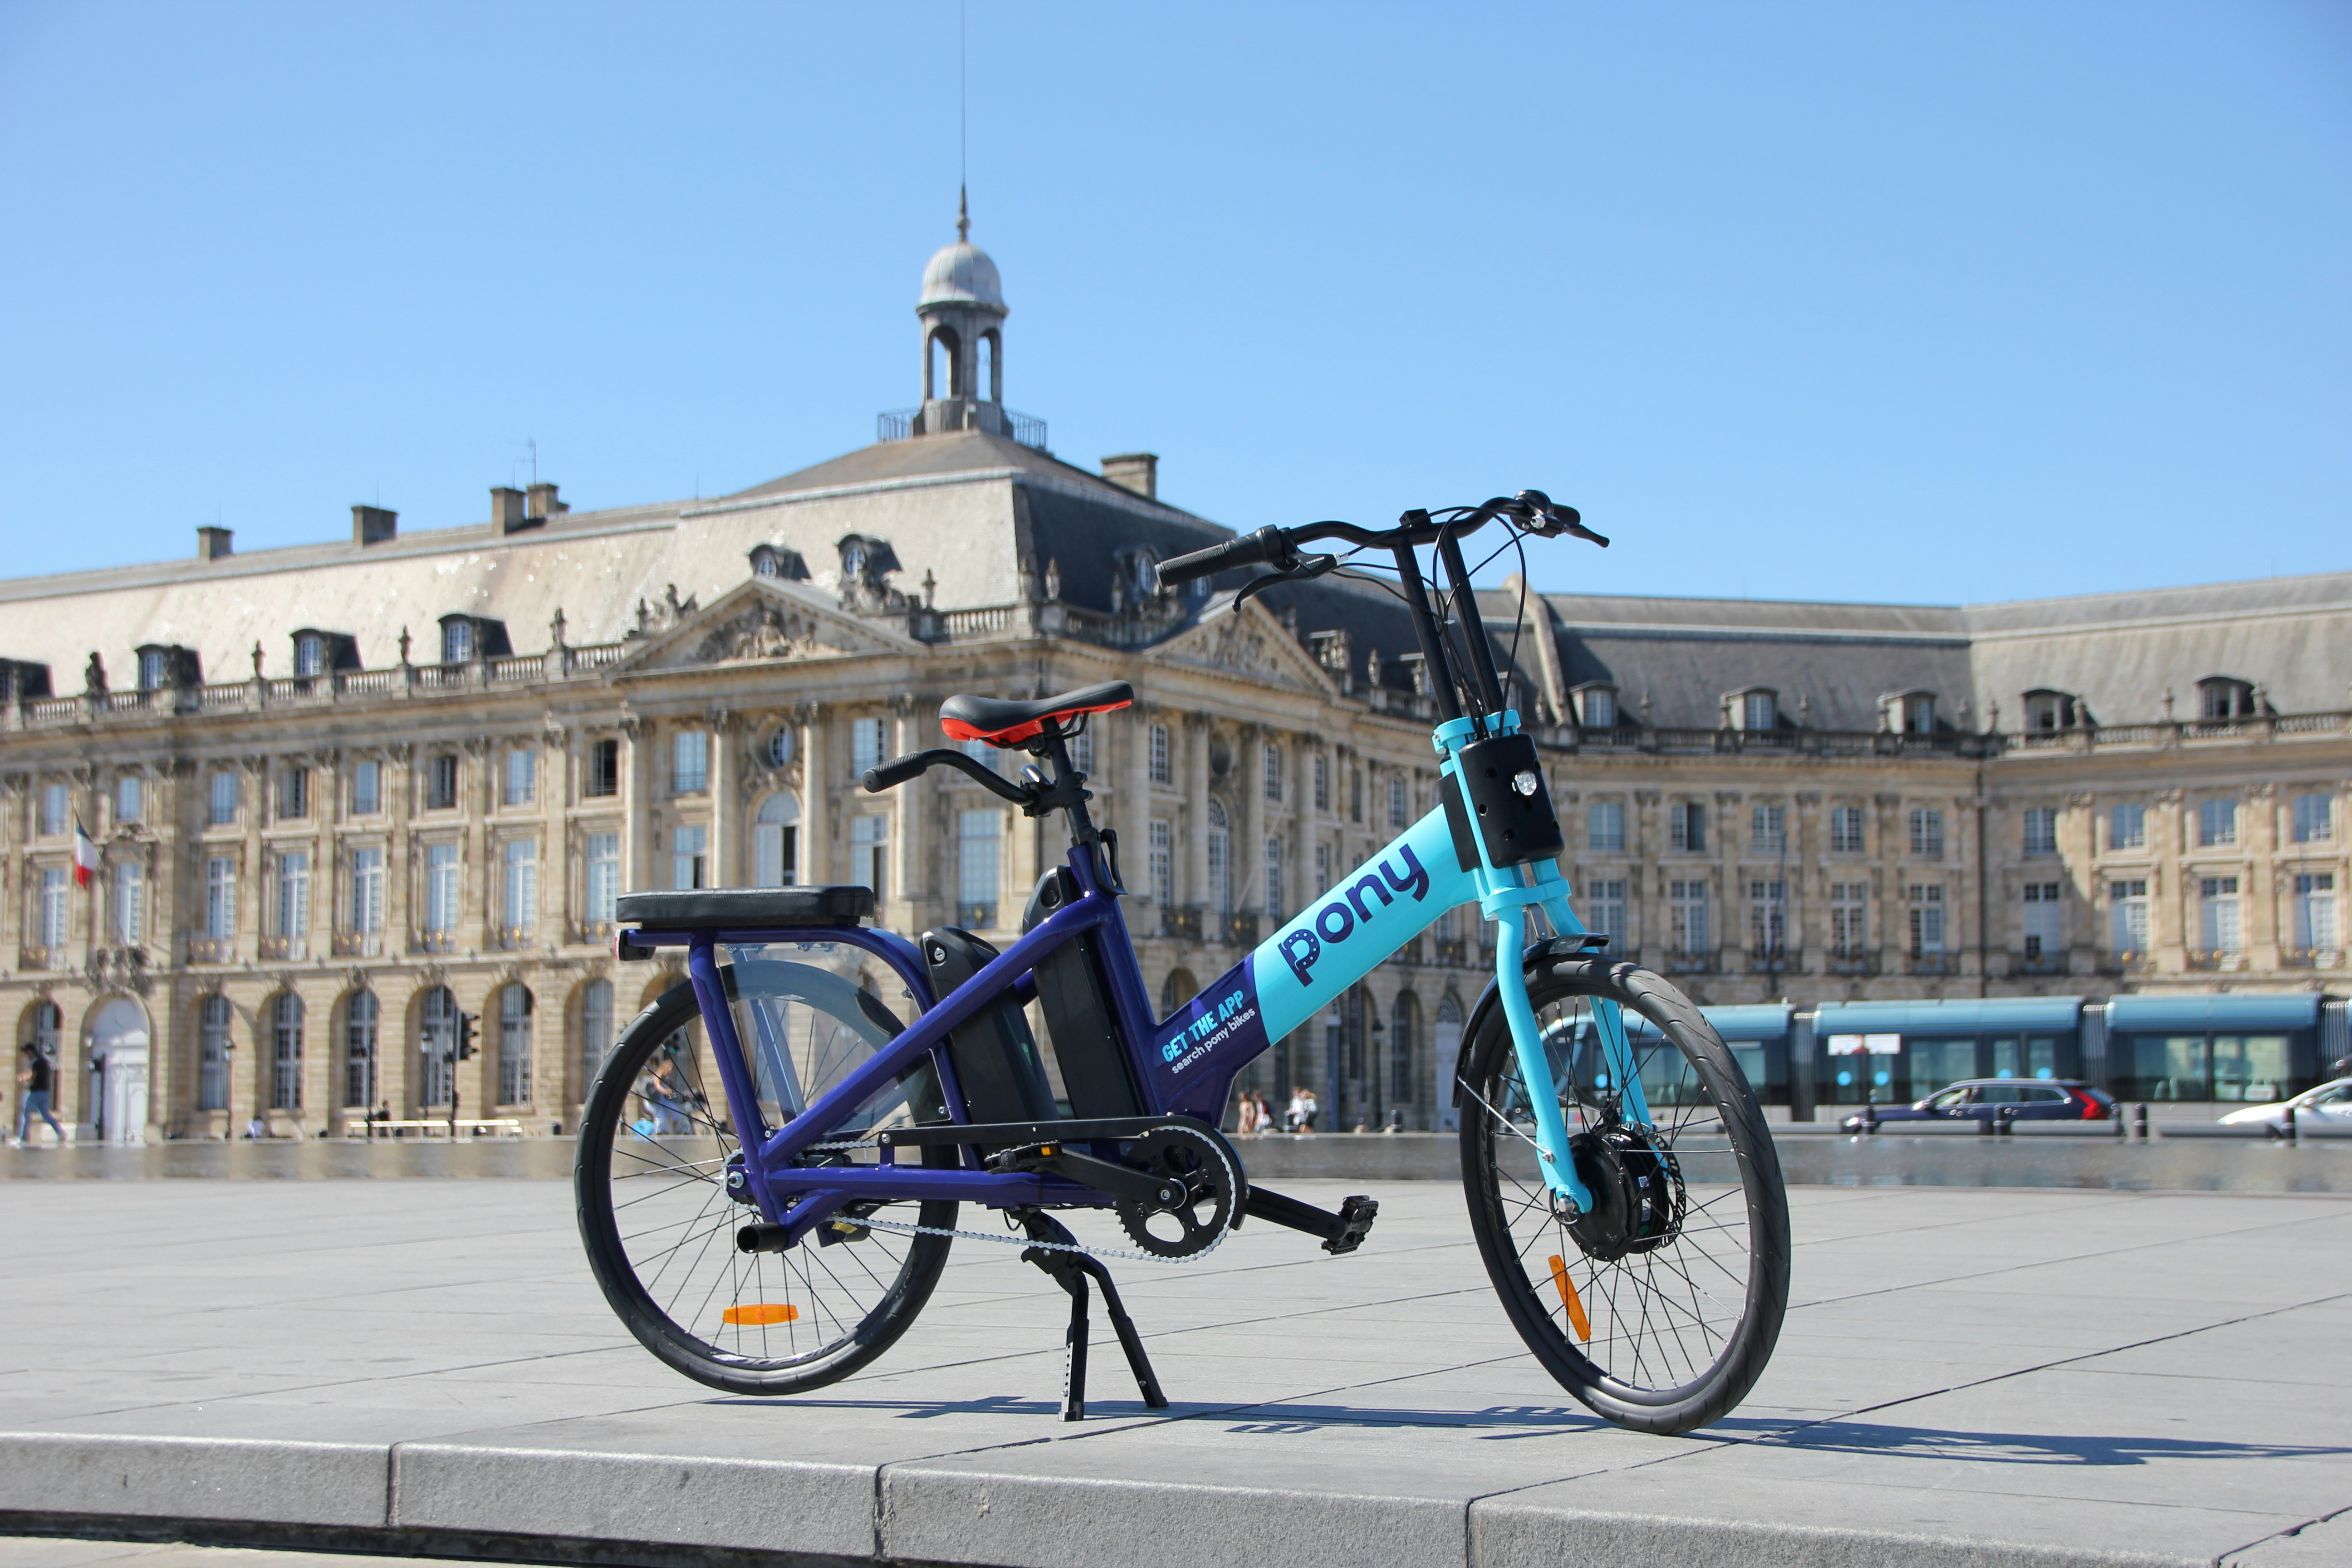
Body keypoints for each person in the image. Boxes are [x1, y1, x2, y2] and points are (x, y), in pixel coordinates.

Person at [14, 1044, 64, 1148]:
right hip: (45, 1092)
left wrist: (23, 1079)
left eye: (26, 1052)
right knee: (46, 1115)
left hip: (36, 1092)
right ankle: (60, 1132)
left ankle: (22, 1138)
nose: (26, 1055)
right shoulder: (44, 1061)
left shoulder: (35, 1062)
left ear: (30, 1051)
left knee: (25, 1114)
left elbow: (33, 1075)